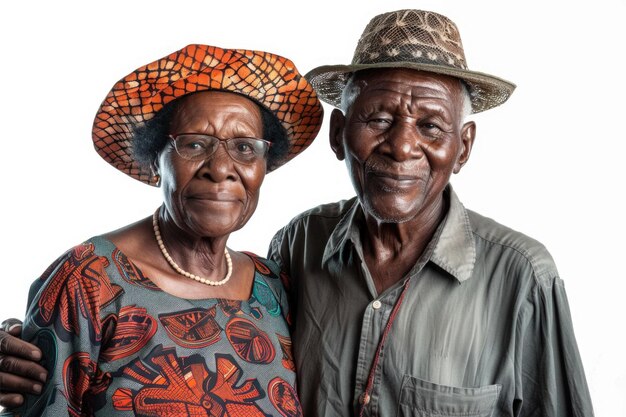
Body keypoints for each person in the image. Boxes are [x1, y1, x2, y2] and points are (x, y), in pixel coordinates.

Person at [0, 9, 595, 417]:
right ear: (340, 134)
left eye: (432, 125)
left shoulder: (521, 277)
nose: (402, 146)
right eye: (379, 119)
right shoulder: (295, 252)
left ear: (462, 148)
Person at [0, 43, 323, 416]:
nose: (220, 168)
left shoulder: (272, 288)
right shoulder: (89, 281)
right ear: (156, 161)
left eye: (245, 148)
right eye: (195, 144)